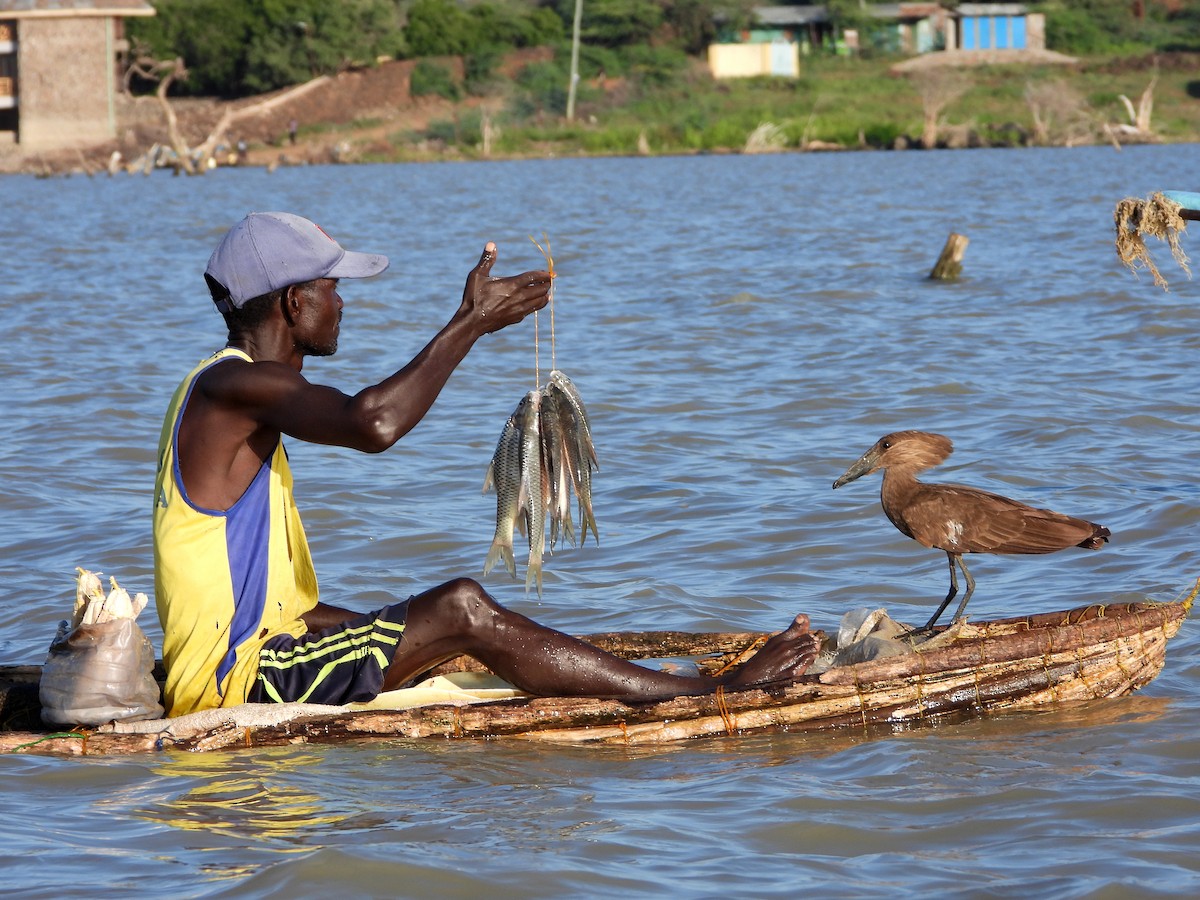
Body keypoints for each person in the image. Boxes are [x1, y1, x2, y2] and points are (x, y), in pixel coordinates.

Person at [152, 211, 819, 718]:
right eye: (333, 286)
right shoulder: (230, 387)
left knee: (446, 623)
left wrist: (404, 640)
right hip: (238, 683)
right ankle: (712, 690)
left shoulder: (235, 395)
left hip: (261, 660)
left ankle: (639, 679)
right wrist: (470, 322)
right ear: (295, 302)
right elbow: (374, 424)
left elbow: (292, 614)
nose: (343, 302)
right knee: (463, 604)